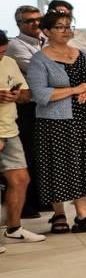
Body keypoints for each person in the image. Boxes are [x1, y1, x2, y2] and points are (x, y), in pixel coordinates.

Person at [27, 11, 86, 234]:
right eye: (59, 27)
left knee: (81, 165)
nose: (65, 31)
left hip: (82, 119)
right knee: (57, 166)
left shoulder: (81, 54)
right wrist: (76, 89)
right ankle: (59, 213)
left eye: (68, 26)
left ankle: (83, 215)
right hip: (54, 121)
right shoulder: (40, 59)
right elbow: (40, 94)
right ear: (46, 31)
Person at [0, 32, 44, 249]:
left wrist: (17, 95)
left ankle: (14, 228)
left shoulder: (9, 62)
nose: (1, 57)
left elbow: (26, 93)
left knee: (20, 179)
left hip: (10, 130)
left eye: (2, 52)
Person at [10, 6, 46, 216]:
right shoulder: (16, 45)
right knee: (29, 154)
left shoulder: (44, 41)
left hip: (44, 105)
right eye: (29, 21)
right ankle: (26, 204)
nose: (35, 23)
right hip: (26, 107)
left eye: (38, 19)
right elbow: (38, 70)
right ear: (19, 24)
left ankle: (40, 198)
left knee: (41, 154)